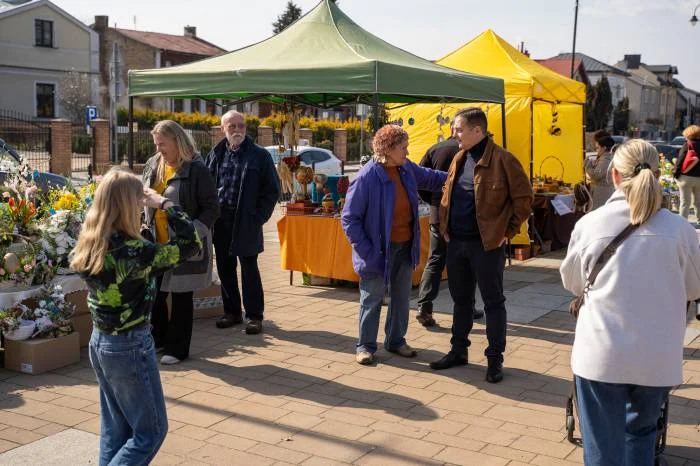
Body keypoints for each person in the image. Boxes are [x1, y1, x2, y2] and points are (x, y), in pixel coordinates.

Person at [560, 139, 700, 466]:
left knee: (601, 445)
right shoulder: (681, 230)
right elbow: (695, 288)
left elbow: (573, 282)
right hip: (657, 355)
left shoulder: (590, 224)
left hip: (601, 353)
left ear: (614, 176)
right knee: (641, 435)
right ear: (658, 174)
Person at [70, 167, 202, 465]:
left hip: (100, 342)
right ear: (128, 205)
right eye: (138, 200)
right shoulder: (137, 252)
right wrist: (165, 204)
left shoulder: (91, 243)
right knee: (150, 432)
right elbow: (191, 244)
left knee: (115, 431)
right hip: (129, 346)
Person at [430, 107, 533, 384]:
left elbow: (524, 199)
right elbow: (448, 194)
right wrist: (444, 227)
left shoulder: (503, 160)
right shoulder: (459, 157)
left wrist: (506, 232)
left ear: (477, 131)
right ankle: (458, 351)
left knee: (493, 303)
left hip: (487, 245)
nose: (454, 134)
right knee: (461, 301)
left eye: (459, 129)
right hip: (457, 243)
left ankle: (494, 359)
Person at [342, 124, 447, 365]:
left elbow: (430, 178)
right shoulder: (366, 177)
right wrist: (367, 252)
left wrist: (457, 176)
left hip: (405, 246)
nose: (407, 152)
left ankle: (396, 340)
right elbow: (349, 219)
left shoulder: (406, 168)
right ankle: (365, 346)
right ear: (388, 149)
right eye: (403, 147)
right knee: (372, 299)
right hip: (377, 252)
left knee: (401, 298)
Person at [142, 120, 219, 364]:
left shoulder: (196, 169)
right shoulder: (153, 164)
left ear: (177, 141)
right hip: (156, 242)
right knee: (155, 294)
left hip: (185, 246)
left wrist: (193, 232)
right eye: (156, 144)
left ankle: (177, 349)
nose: (159, 149)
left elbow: (212, 208)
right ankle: (159, 339)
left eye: (162, 144)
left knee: (181, 296)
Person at [206, 110, 280, 335]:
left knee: (249, 269)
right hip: (221, 220)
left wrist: (258, 218)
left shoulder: (259, 155)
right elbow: (208, 187)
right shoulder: (216, 154)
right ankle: (232, 312)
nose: (237, 130)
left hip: (247, 220)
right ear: (223, 129)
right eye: (232, 126)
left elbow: (272, 191)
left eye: (241, 126)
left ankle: (254, 316)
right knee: (225, 268)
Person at [416, 123, 484, 327]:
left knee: (435, 260)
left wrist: (433, 201)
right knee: (467, 263)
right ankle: (468, 307)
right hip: (465, 214)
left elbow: (420, 181)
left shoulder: (435, 149)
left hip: (438, 213)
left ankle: (424, 307)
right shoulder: (473, 150)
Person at [673, 124, 700, 219]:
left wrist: (676, 175)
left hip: (686, 178)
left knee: (685, 202)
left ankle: (683, 222)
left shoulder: (688, 145)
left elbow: (680, 161)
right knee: (698, 202)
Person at [585, 130, 616, 210]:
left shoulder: (606, 159)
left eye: (598, 148)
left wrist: (587, 165)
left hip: (602, 194)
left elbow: (596, 175)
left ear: (604, 148)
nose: (596, 150)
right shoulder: (606, 157)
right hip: (602, 192)